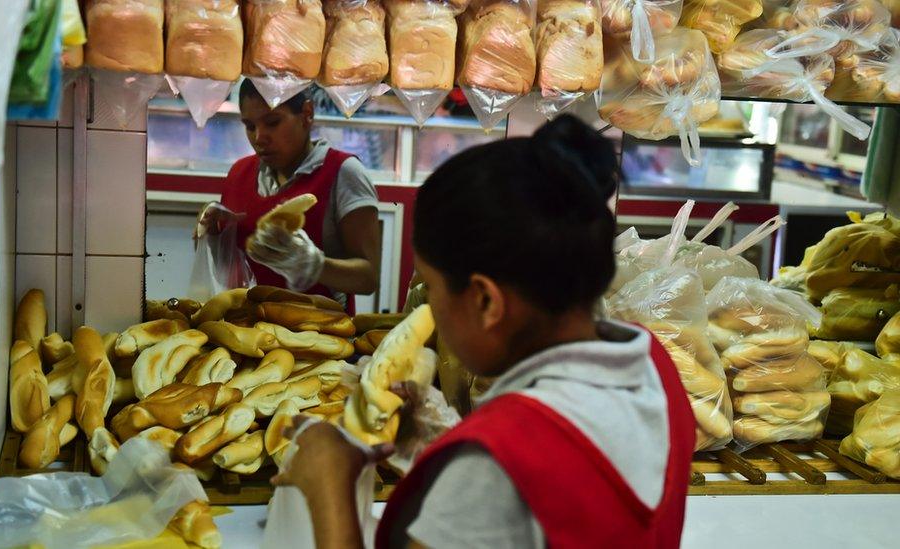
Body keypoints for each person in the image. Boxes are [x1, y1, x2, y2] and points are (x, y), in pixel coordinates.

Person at [271, 115, 697, 548]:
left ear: (486, 301)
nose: (429, 308)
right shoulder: (655, 367)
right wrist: (448, 439)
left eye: (431, 289)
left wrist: (330, 489)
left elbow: (515, 477)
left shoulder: (494, 470)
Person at [196, 80, 381, 310]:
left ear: (307, 114)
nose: (259, 137)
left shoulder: (343, 173)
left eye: (272, 123)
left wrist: (314, 265)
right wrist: (214, 237)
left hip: (319, 335)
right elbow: (231, 273)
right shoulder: (238, 174)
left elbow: (368, 278)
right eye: (249, 126)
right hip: (250, 332)